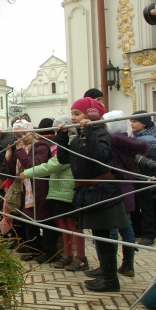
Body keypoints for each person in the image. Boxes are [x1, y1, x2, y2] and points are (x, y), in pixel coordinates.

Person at [56, 97, 130, 293]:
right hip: (86, 190)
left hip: (101, 190)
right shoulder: (79, 136)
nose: (73, 118)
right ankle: (106, 273)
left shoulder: (100, 134)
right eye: (72, 113)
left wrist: (89, 132)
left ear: (89, 115)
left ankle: (110, 279)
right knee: (99, 235)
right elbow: (64, 158)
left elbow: (99, 155)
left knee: (104, 235)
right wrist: (62, 136)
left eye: (77, 114)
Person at [22, 117, 87, 270]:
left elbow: (55, 164)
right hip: (58, 190)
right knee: (62, 225)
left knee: (73, 226)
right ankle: (68, 255)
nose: (57, 133)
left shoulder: (71, 144)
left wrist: (29, 172)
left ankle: (81, 257)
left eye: (59, 130)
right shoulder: (60, 144)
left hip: (67, 189)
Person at [100, 110, 148, 279]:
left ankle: (108, 267)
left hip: (115, 187)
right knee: (126, 225)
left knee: (112, 226)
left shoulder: (113, 144)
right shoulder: (128, 143)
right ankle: (128, 264)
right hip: (127, 187)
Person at [5, 120, 52, 261]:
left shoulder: (41, 146)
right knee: (28, 220)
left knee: (44, 220)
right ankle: (32, 249)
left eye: (24, 134)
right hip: (25, 189)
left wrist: (18, 151)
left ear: (32, 132)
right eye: (18, 136)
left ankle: (48, 251)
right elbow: (14, 169)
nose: (22, 139)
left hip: (40, 188)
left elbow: (33, 165)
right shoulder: (21, 148)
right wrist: (8, 158)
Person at [129, 110, 156, 247]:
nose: (132, 124)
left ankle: (149, 234)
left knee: (147, 207)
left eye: (135, 121)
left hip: (146, 178)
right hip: (135, 177)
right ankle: (138, 230)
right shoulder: (133, 137)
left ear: (144, 124)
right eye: (131, 121)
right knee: (135, 205)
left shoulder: (151, 141)